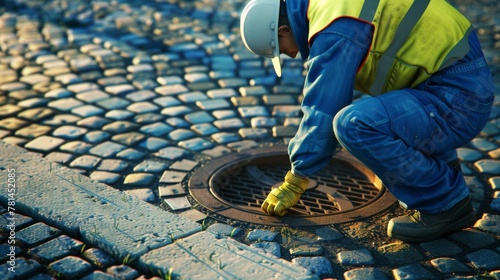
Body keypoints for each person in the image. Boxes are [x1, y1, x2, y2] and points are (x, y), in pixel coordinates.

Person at [239, 0, 494, 243]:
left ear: (284, 29)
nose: (292, 54)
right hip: (457, 86)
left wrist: (297, 177)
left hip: (458, 101)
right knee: (383, 110)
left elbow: (324, 107)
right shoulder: (329, 7)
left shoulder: (334, 27)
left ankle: (444, 201)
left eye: (283, 49)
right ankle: (440, 168)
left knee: (353, 124)